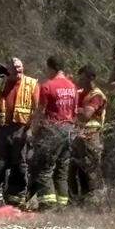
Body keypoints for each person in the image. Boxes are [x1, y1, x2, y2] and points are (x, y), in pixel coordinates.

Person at [0, 57, 39, 205]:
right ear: (8, 69)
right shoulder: (0, 83)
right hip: (1, 128)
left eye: (19, 67)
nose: (17, 69)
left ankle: (16, 198)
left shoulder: (31, 84)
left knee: (19, 164)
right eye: (14, 67)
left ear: (23, 67)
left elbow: (38, 109)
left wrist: (30, 130)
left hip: (21, 129)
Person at [28, 55, 78, 209]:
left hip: (52, 130)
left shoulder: (47, 86)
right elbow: (75, 112)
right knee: (62, 171)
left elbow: (41, 112)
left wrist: (33, 131)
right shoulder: (72, 87)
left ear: (51, 68)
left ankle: (48, 205)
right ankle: (62, 206)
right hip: (69, 130)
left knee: (45, 169)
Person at [72, 64, 107, 204]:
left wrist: (74, 110)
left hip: (92, 135)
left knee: (92, 168)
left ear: (91, 78)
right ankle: (80, 198)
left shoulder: (96, 95)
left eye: (83, 78)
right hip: (79, 135)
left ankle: (95, 199)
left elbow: (86, 115)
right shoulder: (81, 93)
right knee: (78, 168)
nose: (80, 81)